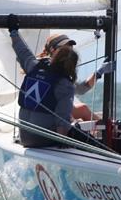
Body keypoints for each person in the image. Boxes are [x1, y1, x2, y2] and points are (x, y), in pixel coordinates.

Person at [8, 16, 78, 147]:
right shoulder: (65, 85)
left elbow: (22, 51)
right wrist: (62, 145)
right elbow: (62, 120)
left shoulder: (34, 66)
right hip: (42, 141)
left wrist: (13, 31)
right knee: (78, 129)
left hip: (24, 137)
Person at [38, 33, 113, 121]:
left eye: (70, 47)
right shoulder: (46, 69)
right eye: (65, 48)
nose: (69, 50)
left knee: (83, 110)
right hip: (46, 113)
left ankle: (108, 129)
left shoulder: (60, 71)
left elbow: (80, 89)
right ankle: (109, 131)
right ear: (52, 50)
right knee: (82, 111)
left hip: (51, 110)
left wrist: (99, 72)